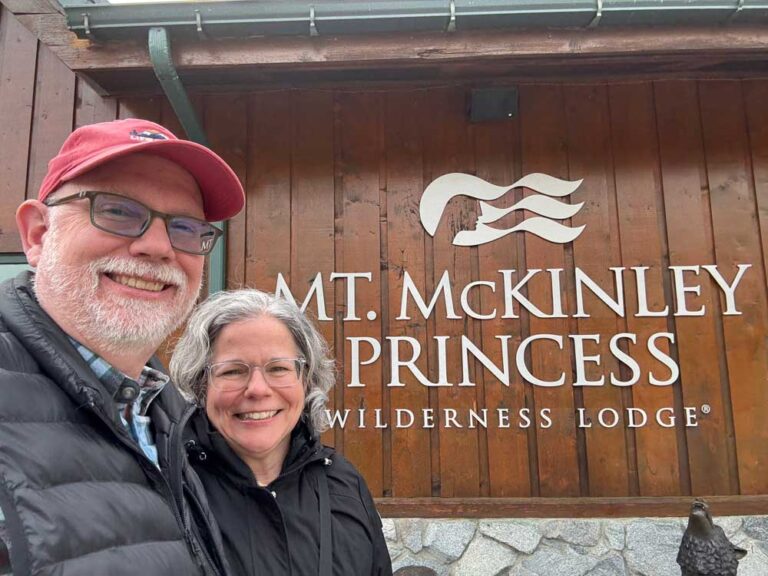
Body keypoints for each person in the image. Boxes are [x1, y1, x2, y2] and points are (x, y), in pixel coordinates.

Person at [0, 118, 244, 576]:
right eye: (116, 210)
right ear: (37, 233)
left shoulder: (166, 414)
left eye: (186, 227)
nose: (157, 247)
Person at [170, 289, 393, 576]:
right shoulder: (168, 489)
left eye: (278, 368)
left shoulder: (343, 483)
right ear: (201, 385)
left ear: (306, 379)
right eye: (233, 371)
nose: (258, 389)